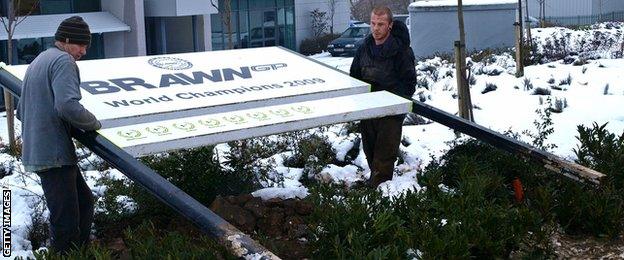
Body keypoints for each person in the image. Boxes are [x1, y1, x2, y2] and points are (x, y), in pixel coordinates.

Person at [16, 16, 102, 254]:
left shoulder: (39, 60)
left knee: (84, 204)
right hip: (55, 155)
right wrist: (93, 123)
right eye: (80, 45)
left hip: (40, 151)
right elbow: (67, 106)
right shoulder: (64, 61)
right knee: (65, 222)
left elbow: (20, 112)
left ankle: (80, 253)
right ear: (65, 40)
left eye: (86, 46)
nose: (83, 51)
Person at [350, 6, 417, 187]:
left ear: (390, 25)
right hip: (369, 110)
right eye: (373, 23)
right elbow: (354, 77)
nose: (376, 28)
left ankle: (380, 194)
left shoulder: (401, 51)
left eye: (381, 24)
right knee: (371, 153)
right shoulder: (364, 48)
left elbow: (409, 83)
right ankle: (375, 187)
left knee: (384, 156)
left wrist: (394, 104)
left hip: (391, 112)